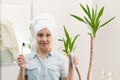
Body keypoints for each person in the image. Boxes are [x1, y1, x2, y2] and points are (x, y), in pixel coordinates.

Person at [17, 13, 78, 80]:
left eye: (48, 35)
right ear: (35, 37)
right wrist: (22, 68)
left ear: (52, 37)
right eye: (40, 35)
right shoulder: (26, 58)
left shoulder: (61, 59)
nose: (44, 39)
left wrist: (71, 66)